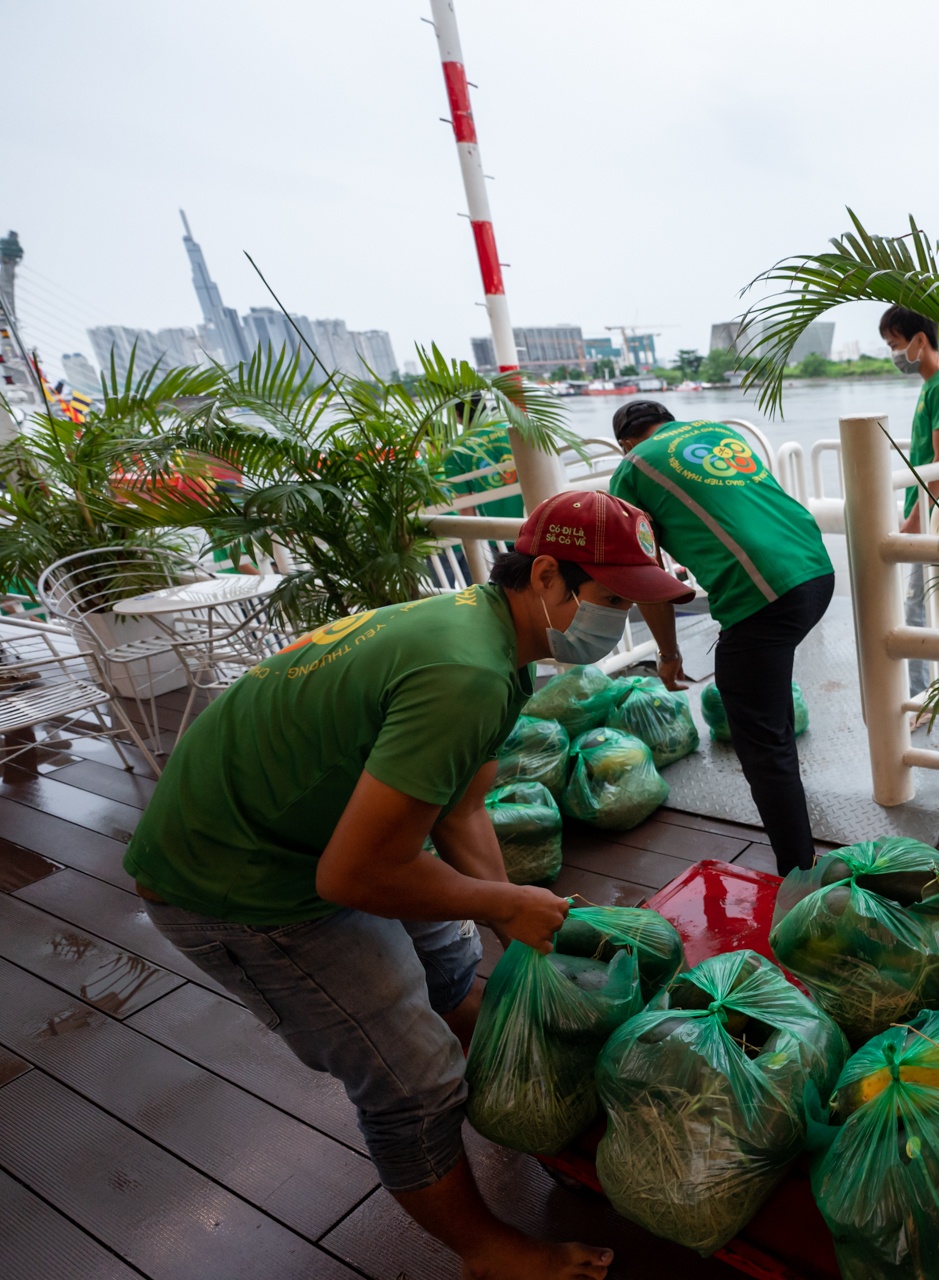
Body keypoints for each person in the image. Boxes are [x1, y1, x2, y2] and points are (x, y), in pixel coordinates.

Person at [125, 490, 693, 1280]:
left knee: (453, 976)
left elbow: (461, 811)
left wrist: (512, 930)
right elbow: (355, 874)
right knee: (411, 1084)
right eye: (611, 599)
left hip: (328, 836)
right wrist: (505, 901)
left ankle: (508, 1103)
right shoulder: (464, 672)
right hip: (241, 881)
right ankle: (487, 1250)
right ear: (550, 577)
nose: (621, 622)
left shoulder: (492, 634)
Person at [609, 400, 835, 873]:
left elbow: (645, 578)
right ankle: (801, 851)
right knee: (763, 710)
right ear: (670, 423)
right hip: (816, 570)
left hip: (764, 593)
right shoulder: (716, 431)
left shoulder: (631, 470)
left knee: (762, 741)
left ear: (625, 444)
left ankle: (800, 873)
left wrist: (667, 654)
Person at [880, 304, 939, 698]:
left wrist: (916, 518)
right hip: (929, 510)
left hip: (935, 513)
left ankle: (920, 697)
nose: (894, 354)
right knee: (925, 602)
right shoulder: (932, 386)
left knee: (915, 606)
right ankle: (932, 689)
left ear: (920, 339)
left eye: (895, 344)